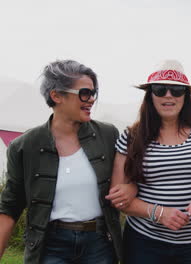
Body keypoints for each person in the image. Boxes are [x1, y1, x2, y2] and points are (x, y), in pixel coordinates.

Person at [0, 60, 122, 263]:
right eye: (84, 93)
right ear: (56, 95)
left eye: (93, 93)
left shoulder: (107, 135)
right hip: (50, 246)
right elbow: (10, 206)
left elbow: (127, 180)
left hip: (99, 243)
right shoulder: (25, 146)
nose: (91, 99)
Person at [105, 59, 191, 264]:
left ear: (186, 96)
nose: (168, 95)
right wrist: (159, 213)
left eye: (177, 90)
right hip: (144, 243)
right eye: (160, 89)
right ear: (150, 95)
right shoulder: (131, 136)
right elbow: (119, 197)